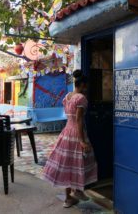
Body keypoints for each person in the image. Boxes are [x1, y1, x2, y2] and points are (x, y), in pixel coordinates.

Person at [42, 70, 97, 208]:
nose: (87, 88)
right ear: (83, 85)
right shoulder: (81, 98)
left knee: (67, 163)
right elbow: (78, 120)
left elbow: (71, 117)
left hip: (66, 132)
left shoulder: (67, 96)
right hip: (77, 133)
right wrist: (82, 141)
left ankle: (68, 198)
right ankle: (78, 190)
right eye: (86, 85)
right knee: (79, 161)